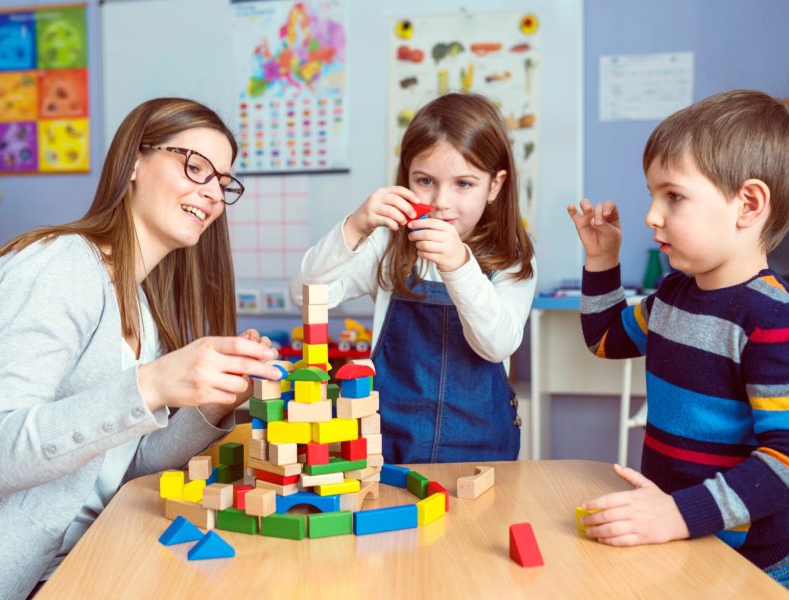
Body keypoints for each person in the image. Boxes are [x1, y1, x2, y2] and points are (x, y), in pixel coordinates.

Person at [0, 97, 282, 600]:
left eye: (222, 182)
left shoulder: (142, 306)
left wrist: (212, 405)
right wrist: (153, 384)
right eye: (195, 166)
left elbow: (123, 473)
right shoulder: (57, 266)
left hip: (90, 554)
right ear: (133, 165)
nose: (211, 193)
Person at [568, 89, 789, 587]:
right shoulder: (672, 295)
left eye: (674, 196)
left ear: (748, 204)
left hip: (749, 563)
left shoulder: (770, 318)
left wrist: (679, 514)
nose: (651, 215)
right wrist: (602, 261)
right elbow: (605, 339)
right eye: (652, 195)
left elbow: (784, 461)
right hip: (677, 539)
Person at [290, 92, 536, 463]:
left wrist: (458, 265)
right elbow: (305, 294)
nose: (441, 201)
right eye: (425, 180)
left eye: (464, 184)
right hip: (387, 448)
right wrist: (355, 227)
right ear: (406, 176)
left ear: (495, 186)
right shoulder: (388, 244)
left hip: (483, 453)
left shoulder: (513, 256)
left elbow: (497, 344)